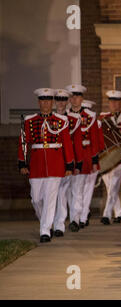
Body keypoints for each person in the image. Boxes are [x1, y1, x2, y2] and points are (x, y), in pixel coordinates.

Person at [18, 88, 74, 242]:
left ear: (52, 102)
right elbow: (23, 143)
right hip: (36, 165)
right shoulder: (30, 121)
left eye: (48, 100)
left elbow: (67, 144)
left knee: (50, 199)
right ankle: (45, 222)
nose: (46, 103)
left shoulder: (61, 121)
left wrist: (69, 165)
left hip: (56, 164)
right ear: (39, 102)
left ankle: (45, 231)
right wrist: (22, 162)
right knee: (36, 199)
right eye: (43, 100)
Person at [65, 84, 102, 230]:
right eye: (72, 96)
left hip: (85, 154)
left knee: (80, 189)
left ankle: (78, 218)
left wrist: (94, 160)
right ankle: (77, 215)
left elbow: (94, 139)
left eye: (78, 96)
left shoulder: (90, 116)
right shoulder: (64, 116)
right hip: (69, 156)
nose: (75, 99)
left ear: (82, 98)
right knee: (69, 190)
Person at [98, 90, 121, 224]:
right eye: (112, 101)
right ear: (109, 103)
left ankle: (106, 215)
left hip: (120, 158)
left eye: (117, 101)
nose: (114, 104)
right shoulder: (102, 117)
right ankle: (119, 213)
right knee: (111, 188)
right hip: (106, 158)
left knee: (113, 186)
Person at [53, 89, 83, 237]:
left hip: (72, 159)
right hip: (57, 161)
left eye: (63, 100)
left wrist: (79, 162)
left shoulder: (74, 118)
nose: (60, 103)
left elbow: (77, 142)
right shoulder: (49, 119)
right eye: (58, 100)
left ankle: (75, 219)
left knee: (75, 191)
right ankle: (59, 225)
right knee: (60, 194)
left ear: (67, 101)